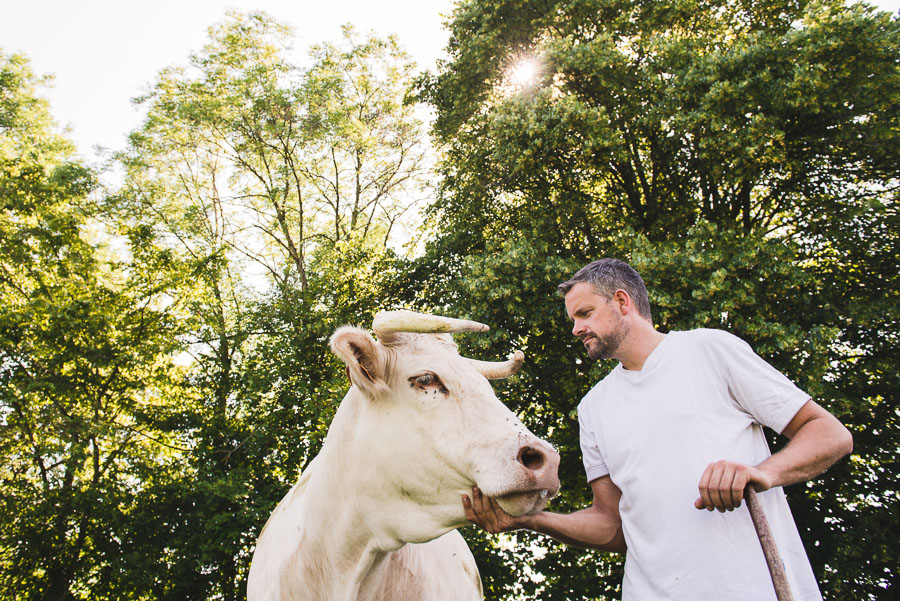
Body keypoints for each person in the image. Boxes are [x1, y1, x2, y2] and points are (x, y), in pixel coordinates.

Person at [463, 258, 853, 600]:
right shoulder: (594, 408)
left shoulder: (709, 350)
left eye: (584, 314)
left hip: (749, 587)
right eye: (573, 320)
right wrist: (531, 519)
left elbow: (830, 433)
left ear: (621, 301)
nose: (576, 329)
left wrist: (761, 473)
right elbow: (611, 526)